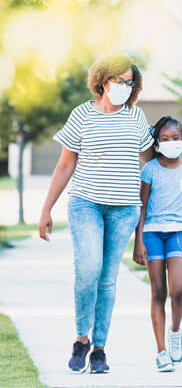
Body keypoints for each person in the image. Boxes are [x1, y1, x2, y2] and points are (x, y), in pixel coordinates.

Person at [38, 54, 154, 373]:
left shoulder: (136, 117)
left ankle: (100, 348)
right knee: (88, 268)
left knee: (107, 278)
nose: (125, 87)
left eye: (130, 82)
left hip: (125, 208)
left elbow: (152, 162)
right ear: (103, 81)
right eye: (120, 81)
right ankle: (81, 338)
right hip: (86, 202)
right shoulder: (82, 115)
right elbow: (65, 164)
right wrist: (46, 209)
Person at [133, 116, 182, 372]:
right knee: (158, 292)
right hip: (152, 233)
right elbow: (141, 207)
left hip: (177, 232)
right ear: (157, 142)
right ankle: (161, 351)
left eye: (175, 138)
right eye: (164, 139)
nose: (171, 142)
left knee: (177, 290)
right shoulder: (149, 170)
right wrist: (138, 241)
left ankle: (175, 332)